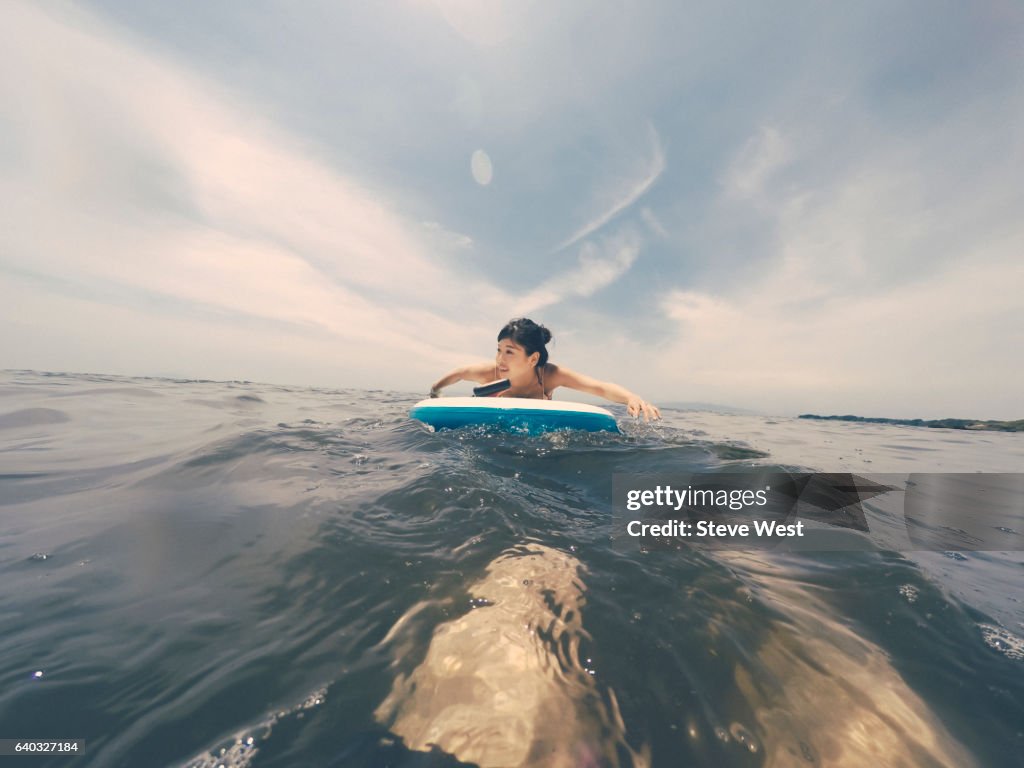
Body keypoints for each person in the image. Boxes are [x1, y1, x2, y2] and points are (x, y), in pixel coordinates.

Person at [429, 318, 661, 422]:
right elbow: (458, 373)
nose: (500, 358)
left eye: (509, 352)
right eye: (498, 350)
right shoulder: (490, 372)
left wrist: (632, 397)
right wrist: (435, 391)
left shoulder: (549, 375)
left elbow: (599, 387)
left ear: (533, 359)